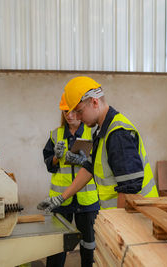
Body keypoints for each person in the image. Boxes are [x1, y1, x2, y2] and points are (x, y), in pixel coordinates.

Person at [38, 76, 159, 212]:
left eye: (79, 111)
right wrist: (61, 198)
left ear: (95, 102)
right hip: (122, 216)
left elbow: (129, 189)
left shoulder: (117, 134)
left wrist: (117, 225)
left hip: (139, 216)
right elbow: (89, 167)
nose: (76, 117)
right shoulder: (102, 131)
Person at [39, 93, 99, 267]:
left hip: (87, 201)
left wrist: (84, 161)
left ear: (80, 111)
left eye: (73, 110)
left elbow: (99, 163)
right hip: (61, 199)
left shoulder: (92, 132)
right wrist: (57, 158)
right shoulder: (55, 135)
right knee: (58, 245)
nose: (69, 115)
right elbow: (49, 164)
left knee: (89, 245)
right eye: (65, 111)